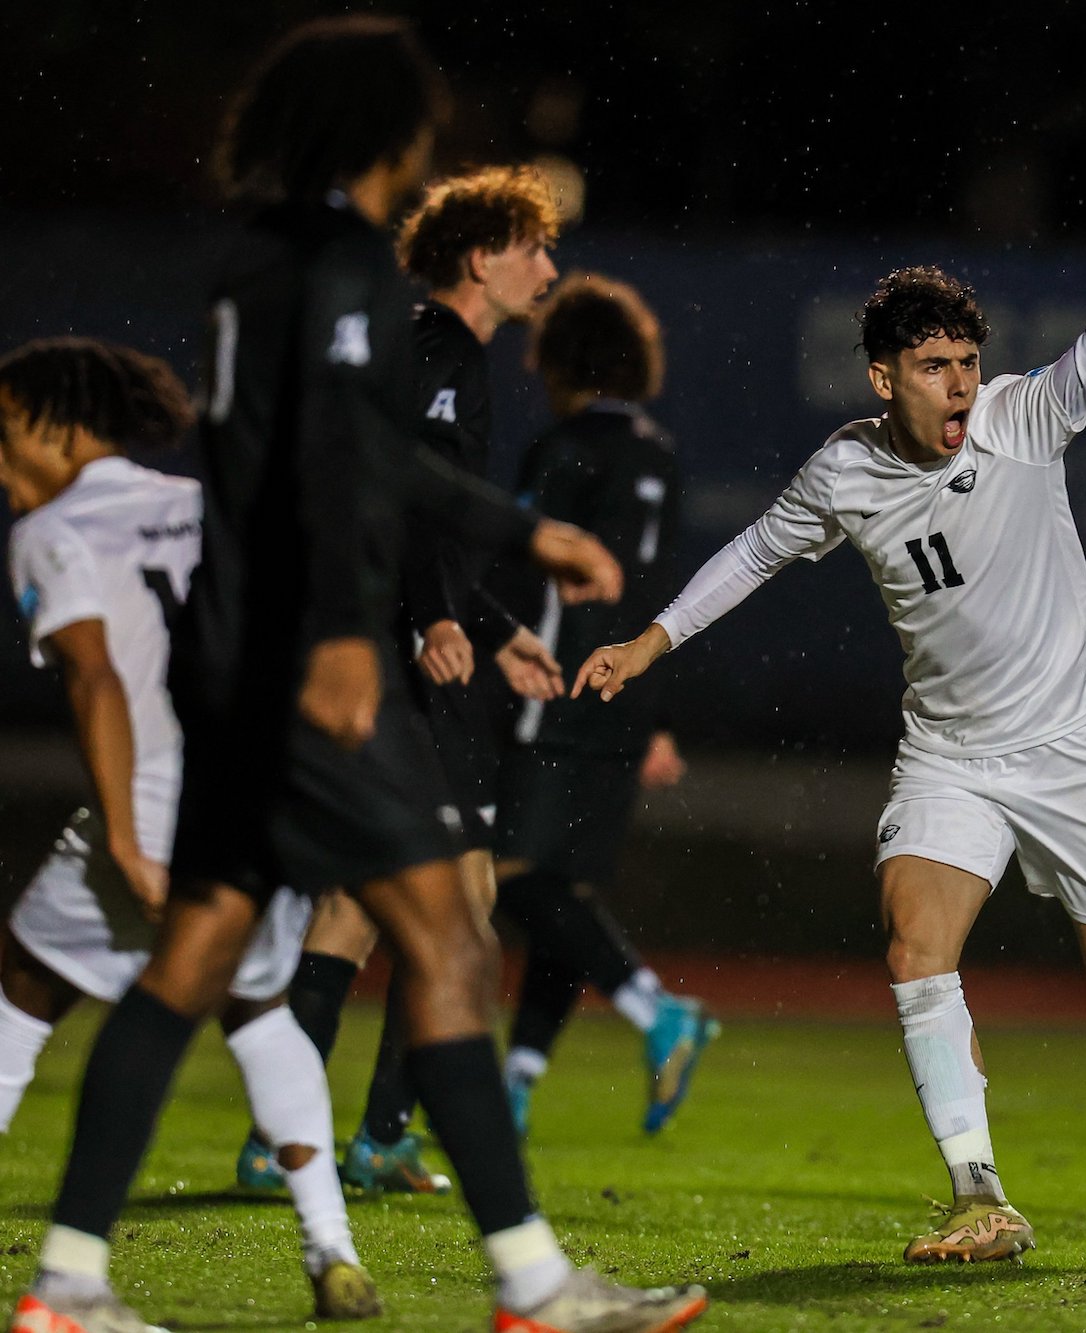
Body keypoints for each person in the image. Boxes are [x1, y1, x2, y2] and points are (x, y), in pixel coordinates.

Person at [7, 19, 706, 1333]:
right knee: (448, 936)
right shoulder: (343, 270)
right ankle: (533, 1285)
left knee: (196, 959)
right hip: (314, 666)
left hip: (230, 663)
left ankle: (66, 1285)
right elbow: (345, 460)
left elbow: (295, 453)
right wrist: (365, 625)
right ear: (384, 137)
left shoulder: (247, 263)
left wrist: (508, 547)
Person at [571, 191, 1086, 1263]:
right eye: (934, 367)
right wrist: (649, 641)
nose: (959, 386)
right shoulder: (845, 469)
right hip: (949, 755)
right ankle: (979, 1191)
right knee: (913, 942)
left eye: (967, 363)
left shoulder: (1020, 418)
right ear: (882, 377)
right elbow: (751, 553)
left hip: (1069, 746)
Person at [0, 338, 377, 1320]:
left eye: (6, 440)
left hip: (159, 798)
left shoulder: (54, 528)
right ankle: (331, 1243)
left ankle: (69, 1287)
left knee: (21, 989)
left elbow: (94, 678)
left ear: (67, 426)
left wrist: (125, 837)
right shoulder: (199, 504)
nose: (2, 467)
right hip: (257, 793)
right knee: (258, 1008)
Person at [239, 165, 571, 1198]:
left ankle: (288, 1139)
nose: (549, 271)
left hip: (388, 642)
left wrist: (499, 624)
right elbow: (408, 503)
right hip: (396, 656)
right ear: (483, 258)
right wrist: (434, 614)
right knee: (455, 903)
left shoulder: (429, 351)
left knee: (361, 902)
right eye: (532, 249)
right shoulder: (438, 350)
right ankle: (373, 1133)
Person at [488, 273, 716, 1139]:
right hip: (631, 692)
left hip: (559, 685)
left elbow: (530, 566)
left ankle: (656, 1008)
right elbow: (656, 593)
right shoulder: (659, 453)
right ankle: (518, 1078)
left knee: (510, 876)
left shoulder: (564, 448)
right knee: (568, 893)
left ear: (563, 357)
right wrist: (655, 713)